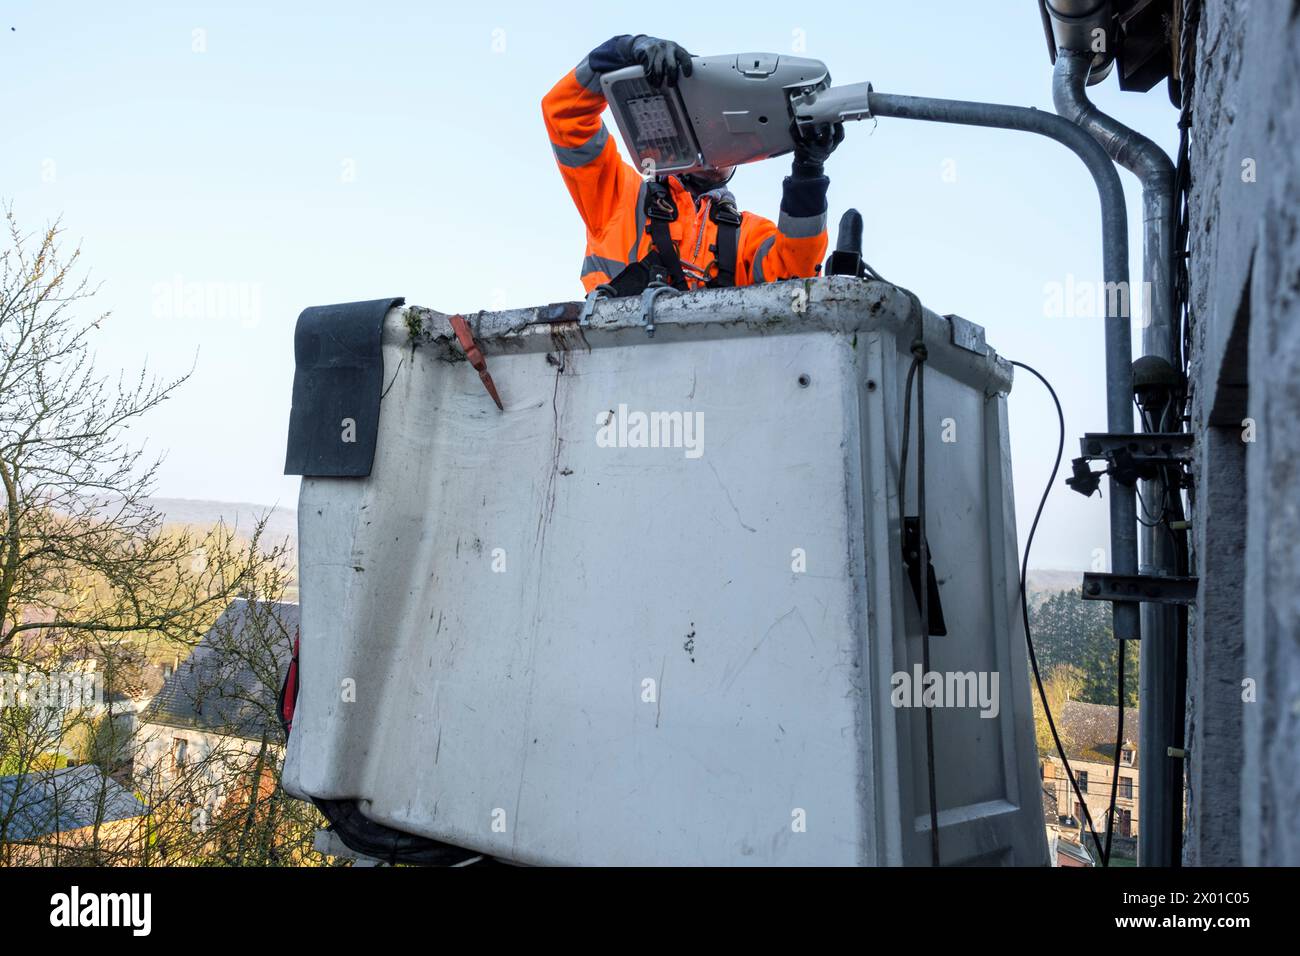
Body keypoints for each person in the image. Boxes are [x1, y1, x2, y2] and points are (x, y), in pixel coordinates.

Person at [542, 34, 845, 294]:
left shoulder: (749, 235)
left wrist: (808, 171)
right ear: (680, 124)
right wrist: (625, 49)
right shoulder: (619, 200)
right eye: (705, 124)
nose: (716, 138)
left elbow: (796, 278)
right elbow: (565, 115)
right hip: (615, 355)